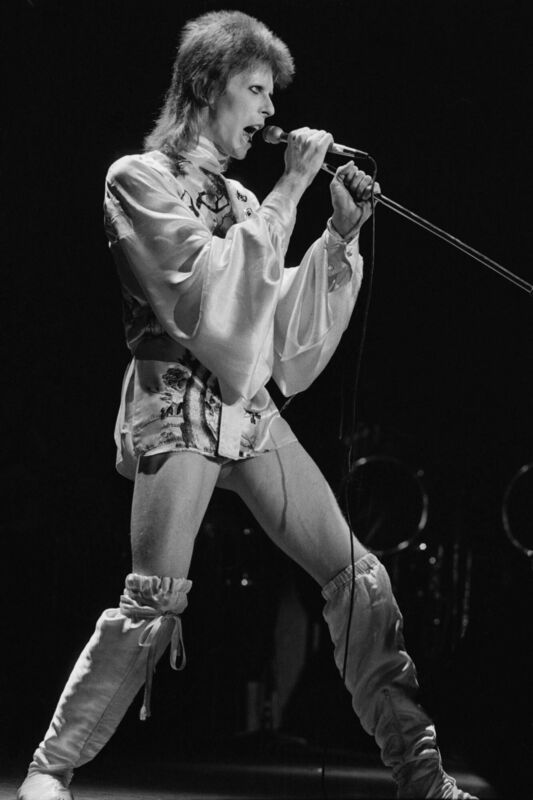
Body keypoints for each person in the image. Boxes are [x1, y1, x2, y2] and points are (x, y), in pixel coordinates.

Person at [17, 10, 477, 800]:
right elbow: (207, 301)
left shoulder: (238, 194)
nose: (269, 113)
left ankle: (422, 776)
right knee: (154, 602)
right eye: (255, 90)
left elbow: (268, 325)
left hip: (247, 407)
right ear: (205, 87)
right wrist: (292, 188)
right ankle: (49, 768)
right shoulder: (137, 180)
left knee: (356, 576)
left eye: (271, 95)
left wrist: (334, 239)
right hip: (176, 401)